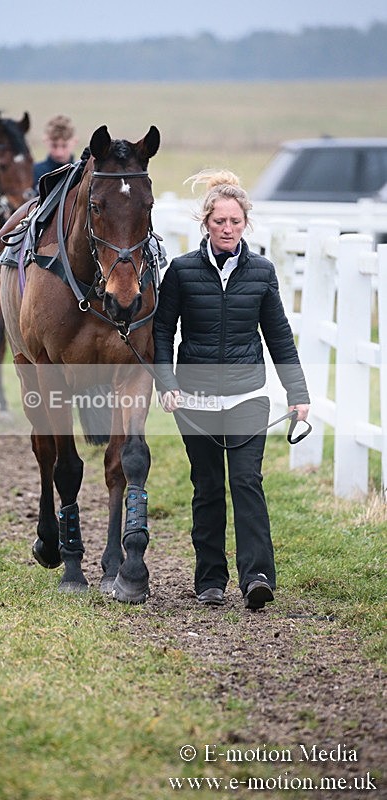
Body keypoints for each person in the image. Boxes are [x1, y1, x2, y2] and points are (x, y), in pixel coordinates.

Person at [153, 170, 310, 611]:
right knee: (206, 488)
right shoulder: (181, 271)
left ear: (246, 223)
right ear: (206, 222)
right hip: (195, 400)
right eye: (219, 221)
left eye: (235, 221)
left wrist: (298, 393)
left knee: (246, 482)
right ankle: (210, 580)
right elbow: (162, 331)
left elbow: (279, 336)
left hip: (247, 397)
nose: (227, 229)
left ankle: (257, 577)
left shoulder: (262, 272)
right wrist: (166, 383)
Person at [33, 114, 77, 193]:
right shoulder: (32, 173)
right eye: (54, 146)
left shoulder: (81, 174)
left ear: (75, 141)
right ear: (45, 141)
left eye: (64, 146)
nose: (59, 153)